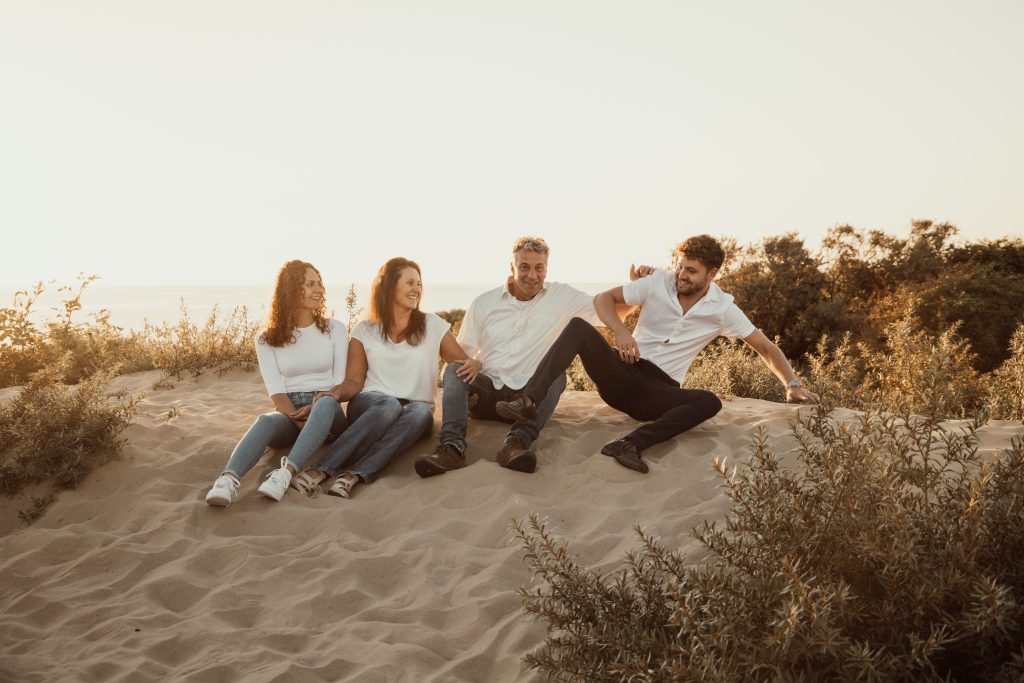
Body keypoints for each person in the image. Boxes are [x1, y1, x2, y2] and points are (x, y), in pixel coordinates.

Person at [495, 234, 819, 474]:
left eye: (691, 271)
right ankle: (528, 401)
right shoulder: (657, 282)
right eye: (680, 267)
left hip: (658, 392)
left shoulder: (723, 308)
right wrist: (621, 333)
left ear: (712, 274)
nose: (682, 275)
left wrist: (791, 384)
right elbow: (602, 300)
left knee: (709, 401)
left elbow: (766, 347)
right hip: (623, 371)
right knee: (579, 327)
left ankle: (630, 444)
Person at [414, 236, 639, 477]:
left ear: (546, 268)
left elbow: (609, 311)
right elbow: (461, 355)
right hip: (486, 395)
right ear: (512, 268)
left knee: (557, 378)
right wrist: (467, 384)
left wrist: (636, 289)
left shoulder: (562, 296)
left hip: (529, 400)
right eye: (524, 267)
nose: (532, 275)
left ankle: (515, 445)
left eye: (538, 268)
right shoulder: (484, 303)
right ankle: (451, 448)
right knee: (453, 371)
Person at [289, 257, 481, 498]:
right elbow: (354, 381)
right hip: (371, 405)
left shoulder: (433, 325)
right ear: (389, 286)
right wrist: (336, 393)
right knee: (389, 404)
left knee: (421, 411)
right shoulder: (364, 330)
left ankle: (354, 475)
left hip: (414, 413)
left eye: (419, 284)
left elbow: (461, 365)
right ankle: (320, 470)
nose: (416, 289)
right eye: (410, 283)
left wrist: (475, 363)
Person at [204, 260, 364, 506]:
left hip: (327, 410)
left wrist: (316, 408)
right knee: (265, 420)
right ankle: (227, 480)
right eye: (310, 284)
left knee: (324, 403)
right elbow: (276, 391)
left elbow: (338, 384)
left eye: (320, 284)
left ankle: (284, 474)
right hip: (292, 412)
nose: (319, 290)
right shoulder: (266, 339)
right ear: (290, 290)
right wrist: (295, 416)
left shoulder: (335, 329)